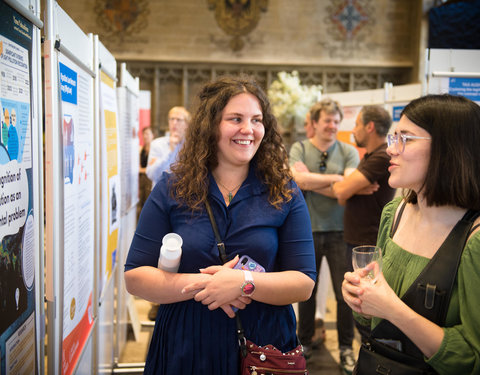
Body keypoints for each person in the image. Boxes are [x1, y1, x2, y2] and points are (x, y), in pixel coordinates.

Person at [124, 75, 316, 374]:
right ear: (211, 125)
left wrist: (242, 283)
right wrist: (210, 286)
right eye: (235, 119)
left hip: (262, 348)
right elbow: (136, 276)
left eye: (256, 120)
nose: (248, 129)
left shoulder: (284, 191)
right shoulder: (172, 187)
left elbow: (303, 283)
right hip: (185, 346)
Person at [342, 94, 480, 374]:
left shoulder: (474, 240)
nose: (392, 149)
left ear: (449, 148)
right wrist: (360, 297)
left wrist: (393, 308)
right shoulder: (394, 213)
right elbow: (371, 322)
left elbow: (472, 358)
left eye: (406, 138)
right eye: (393, 138)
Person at [289, 98, 359, 373]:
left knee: (345, 296)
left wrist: (311, 181)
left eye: (336, 121)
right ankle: (303, 342)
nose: (333, 126)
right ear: (315, 123)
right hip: (305, 230)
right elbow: (295, 179)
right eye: (327, 120)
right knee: (307, 291)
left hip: (342, 230)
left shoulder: (349, 150)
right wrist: (335, 178)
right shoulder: (299, 148)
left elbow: (348, 188)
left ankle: (345, 348)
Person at [332, 105, 396, 341]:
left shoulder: (381, 156)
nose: (353, 129)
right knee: (357, 303)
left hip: (368, 244)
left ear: (369, 127)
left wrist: (348, 189)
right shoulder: (371, 156)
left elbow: (340, 190)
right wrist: (352, 189)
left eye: (357, 124)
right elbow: (342, 193)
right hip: (358, 240)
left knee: (364, 309)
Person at [146, 106, 191, 187]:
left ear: (187, 124)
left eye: (179, 120)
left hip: (183, 194)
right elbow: (151, 174)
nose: (174, 123)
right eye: (172, 119)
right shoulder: (157, 144)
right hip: (160, 194)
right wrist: (170, 151)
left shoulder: (191, 146)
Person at [138, 126, 154, 219]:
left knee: (148, 201)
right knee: (141, 201)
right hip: (142, 179)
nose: (145, 136)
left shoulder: (154, 150)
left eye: (147, 134)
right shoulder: (142, 150)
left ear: (153, 135)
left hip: (150, 179)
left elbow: (151, 168)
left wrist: (142, 170)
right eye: (144, 134)